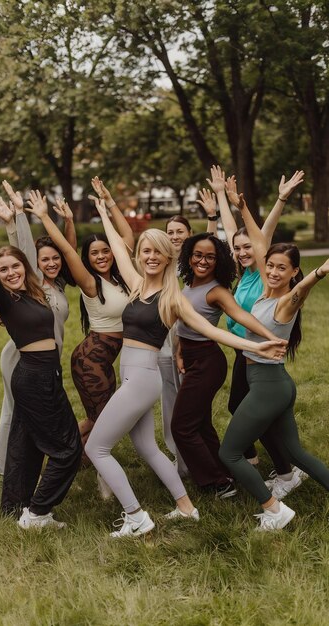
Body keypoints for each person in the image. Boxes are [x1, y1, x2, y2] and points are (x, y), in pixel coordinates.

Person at [83, 196, 286, 538]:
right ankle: (186, 507)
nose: (149, 256)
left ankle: (135, 516)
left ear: (167, 257)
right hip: (132, 375)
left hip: (142, 378)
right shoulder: (134, 284)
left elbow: (213, 331)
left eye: (156, 252)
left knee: (96, 447)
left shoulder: (172, 298)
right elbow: (117, 245)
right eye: (145, 251)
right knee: (146, 445)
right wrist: (104, 209)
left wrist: (258, 343)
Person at [218, 188, 329, 530]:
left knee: (229, 454)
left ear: (294, 272)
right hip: (274, 383)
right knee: (295, 454)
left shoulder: (285, 302)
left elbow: (301, 289)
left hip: (268, 385)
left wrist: (320, 272)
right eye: (272, 266)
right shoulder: (265, 291)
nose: (275, 272)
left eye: (284, 269)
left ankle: (273, 512)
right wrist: (242, 206)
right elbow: (258, 241)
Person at [24, 181, 133, 498]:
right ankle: (100, 476)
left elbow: (127, 237)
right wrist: (47, 218)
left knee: (97, 418)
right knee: (106, 420)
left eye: (105, 251)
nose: (101, 256)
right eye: (94, 253)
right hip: (91, 360)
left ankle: (68, 453)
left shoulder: (120, 275)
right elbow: (68, 249)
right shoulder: (89, 281)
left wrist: (110, 203)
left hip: (105, 359)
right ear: (87, 258)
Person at [207, 165, 307, 495]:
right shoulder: (244, 273)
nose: (242, 251)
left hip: (256, 352)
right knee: (247, 408)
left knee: (244, 408)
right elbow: (236, 233)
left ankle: (281, 468)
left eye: (248, 247)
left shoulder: (267, 274)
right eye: (237, 249)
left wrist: (279, 200)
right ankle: (278, 465)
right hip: (245, 351)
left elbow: (258, 235)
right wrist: (222, 196)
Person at [171, 232, 286, 496]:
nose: (203, 260)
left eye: (210, 256)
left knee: (181, 426)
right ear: (189, 256)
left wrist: (270, 337)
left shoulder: (217, 291)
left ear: (218, 261)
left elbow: (241, 316)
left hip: (207, 362)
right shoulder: (188, 284)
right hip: (189, 356)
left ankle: (217, 483)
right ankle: (223, 471)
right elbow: (184, 323)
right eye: (198, 254)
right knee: (199, 422)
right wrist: (178, 351)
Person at [0, 242, 82, 529]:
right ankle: (37, 513)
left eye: (15, 265)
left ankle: (15, 507)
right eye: (3, 269)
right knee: (68, 449)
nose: (11, 272)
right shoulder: (4, 298)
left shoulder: (32, 293)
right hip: (34, 378)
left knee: (25, 446)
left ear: (25, 265)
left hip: (43, 376)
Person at [0, 183, 76, 481]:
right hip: (21, 358)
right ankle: (0, 463)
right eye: (43, 259)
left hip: (48, 360)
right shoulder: (31, 283)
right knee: (14, 410)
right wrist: (18, 217)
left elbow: (69, 251)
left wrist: (69, 221)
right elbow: (20, 254)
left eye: (54, 258)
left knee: (25, 414)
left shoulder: (57, 286)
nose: (50, 263)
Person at [160, 201, 219, 476]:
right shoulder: (162, 261)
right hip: (170, 337)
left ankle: (204, 463)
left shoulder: (193, 263)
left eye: (179, 231)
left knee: (190, 406)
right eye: (169, 231)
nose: (174, 236)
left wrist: (212, 217)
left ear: (188, 233)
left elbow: (210, 245)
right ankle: (180, 455)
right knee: (172, 397)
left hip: (191, 336)